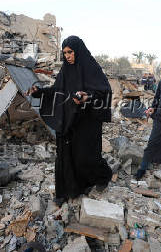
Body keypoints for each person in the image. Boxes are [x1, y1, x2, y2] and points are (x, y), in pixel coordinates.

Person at [27, 36, 112, 206]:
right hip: (68, 119)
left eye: (70, 52)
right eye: (64, 52)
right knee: (65, 155)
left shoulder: (91, 68)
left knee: (86, 156)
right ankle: (65, 192)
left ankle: (103, 176)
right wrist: (40, 92)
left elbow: (104, 92)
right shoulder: (66, 71)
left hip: (87, 121)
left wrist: (87, 97)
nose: (67, 56)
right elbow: (57, 90)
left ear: (77, 51)